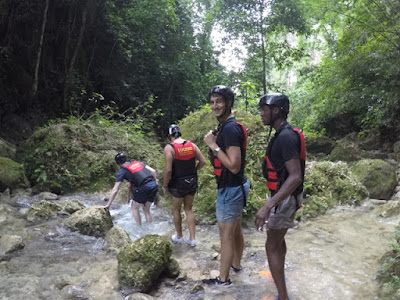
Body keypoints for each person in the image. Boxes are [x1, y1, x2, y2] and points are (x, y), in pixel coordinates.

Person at [255, 93, 306, 300]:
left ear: (275, 110)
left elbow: (295, 177)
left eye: (264, 109)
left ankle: (283, 297)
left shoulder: (285, 137)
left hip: (283, 199)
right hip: (285, 198)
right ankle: (280, 278)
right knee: (278, 240)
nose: (261, 114)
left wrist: (268, 206)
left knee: (271, 245)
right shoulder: (283, 133)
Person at [203, 85, 250, 286]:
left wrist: (213, 146)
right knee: (235, 230)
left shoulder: (230, 129)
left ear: (229, 103)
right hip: (236, 187)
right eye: (212, 102)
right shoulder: (228, 125)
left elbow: (233, 165)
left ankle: (223, 280)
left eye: (219, 101)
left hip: (231, 189)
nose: (215, 106)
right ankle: (236, 265)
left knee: (226, 236)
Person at [163, 124, 206, 246]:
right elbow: (203, 161)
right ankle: (192, 239)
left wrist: (165, 186)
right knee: (189, 209)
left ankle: (180, 236)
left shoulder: (169, 148)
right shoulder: (191, 145)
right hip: (192, 181)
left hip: (177, 183)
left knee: (176, 209)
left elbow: (168, 170)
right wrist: (194, 171)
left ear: (169, 136)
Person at [103, 153, 158, 226]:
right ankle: (151, 228)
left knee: (134, 207)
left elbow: (115, 189)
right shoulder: (137, 163)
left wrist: (108, 205)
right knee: (146, 209)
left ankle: (139, 228)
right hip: (153, 185)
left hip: (143, 187)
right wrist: (156, 181)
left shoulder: (123, 171)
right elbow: (153, 171)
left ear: (117, 163)